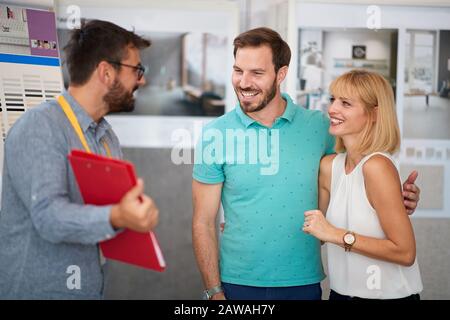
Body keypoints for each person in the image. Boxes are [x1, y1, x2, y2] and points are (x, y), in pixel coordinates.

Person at [192, 27, 421, 300]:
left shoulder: (322, 127)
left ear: (281, 74)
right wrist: (213, 291)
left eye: (257, 73)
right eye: (238, 70)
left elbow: (363, 172)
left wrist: (398, 197)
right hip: (237, 281)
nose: (244, 82)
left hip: (303, 281)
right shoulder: (214, 134)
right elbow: (203, 222)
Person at [0, 20, 159, 299]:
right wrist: (117, 216)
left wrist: (128, 217)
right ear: (106, 73)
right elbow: (49, 217)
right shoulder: (40, 127)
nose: (142, 80)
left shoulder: (106, 136)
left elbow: (104, 215)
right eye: (137, 70)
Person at [303, 70, 423, 300]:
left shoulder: (377, 166)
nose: (332, 109)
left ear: (374, 113)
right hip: (340, 294)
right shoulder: (330, 167)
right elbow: (317, 234)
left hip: (387, 297)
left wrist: (337, 235)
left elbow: (405, 252)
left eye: (345, 103)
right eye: (333, 99)